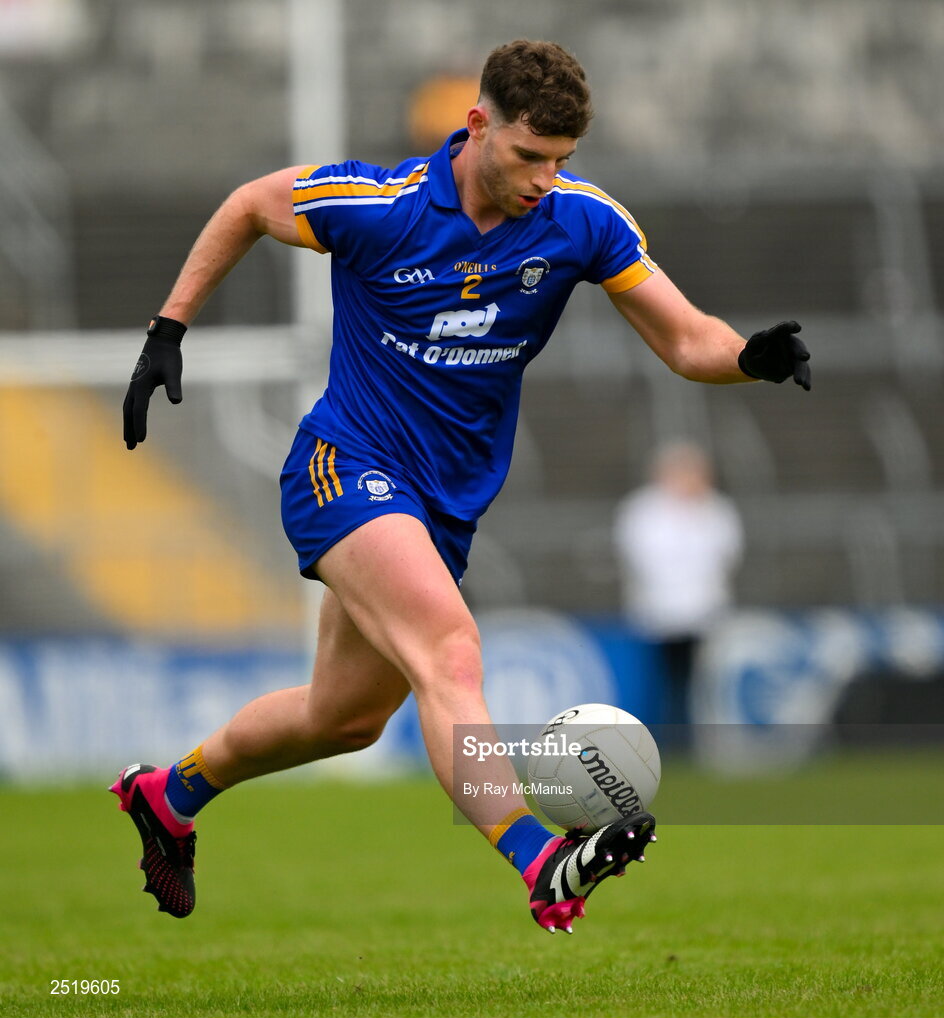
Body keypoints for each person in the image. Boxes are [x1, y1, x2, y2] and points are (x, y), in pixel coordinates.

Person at [111, 39, 811, 935]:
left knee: (343, 719)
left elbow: (685, 340)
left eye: (560, 162)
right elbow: (250, 203)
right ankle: (539, 860)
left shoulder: (580, 221)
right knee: (452, 654)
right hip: (345, 464)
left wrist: (747, 357)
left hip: (442, 504)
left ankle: (169, 796)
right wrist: (168, 327)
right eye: (528, 157)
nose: (543, 180)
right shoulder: (382, 205)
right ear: (476, 125)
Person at [614, 441, 744, 752]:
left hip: (702, 612)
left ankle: (692, 745)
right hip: (657, 612)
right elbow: (642, 557)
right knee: (660, 682)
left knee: (695, 683)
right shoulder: (643, 510)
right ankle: (659, 745)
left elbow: (727, 554)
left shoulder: (715, 509)